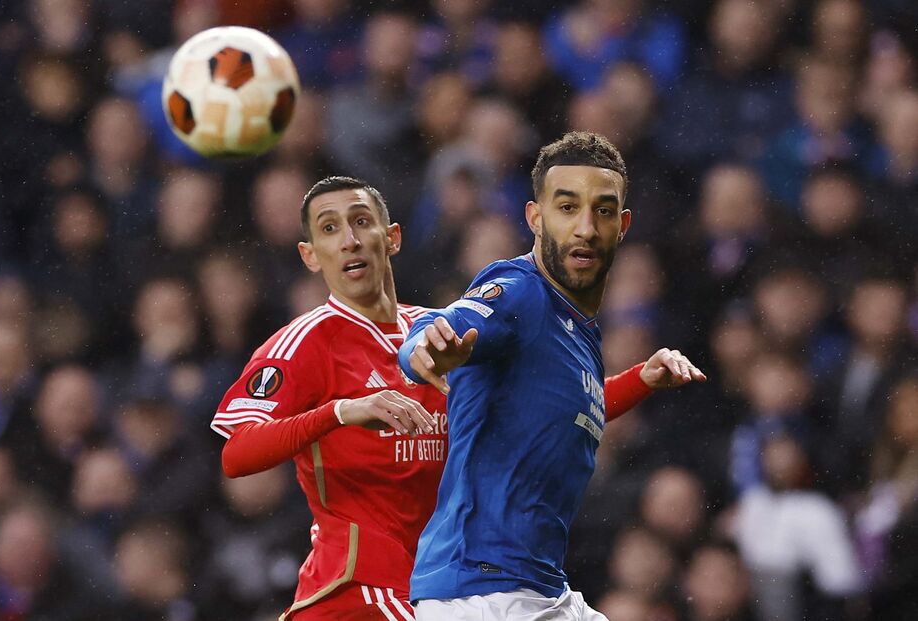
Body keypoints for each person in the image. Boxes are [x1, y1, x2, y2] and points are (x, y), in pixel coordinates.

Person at [398, 131, 706, 620]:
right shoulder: (520, 291)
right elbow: (438, 328)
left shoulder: (577, 328)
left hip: (538, 588)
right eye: (567, 208)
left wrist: (641, 381)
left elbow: (562, 409)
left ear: (622, 224)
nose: (585, 227)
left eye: (602, 211)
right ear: (535, 218)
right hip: (481, 595)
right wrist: (424, 350)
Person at [211, 176, 445, 620]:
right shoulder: (304, 343)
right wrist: (340, 412)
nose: (350, 241)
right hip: (358, 588)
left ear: (392, 237)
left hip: (441, 578)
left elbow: (567, 410)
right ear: (310, 255)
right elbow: (236, 454)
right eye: (330, 229)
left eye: (361, 222)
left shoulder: (438, 333)